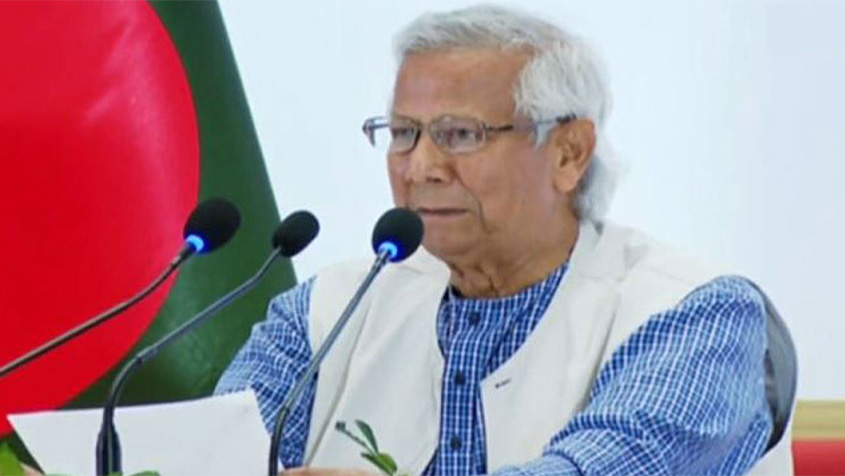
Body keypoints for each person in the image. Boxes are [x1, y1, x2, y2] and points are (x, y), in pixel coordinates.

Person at [216, 5, 794, 475]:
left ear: (568, 153)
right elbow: (210, 455)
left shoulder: (696, 313)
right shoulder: (328, 313)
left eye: (459, 134)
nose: (420, 167)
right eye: (404, 133)